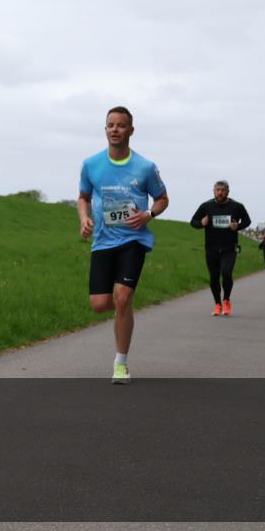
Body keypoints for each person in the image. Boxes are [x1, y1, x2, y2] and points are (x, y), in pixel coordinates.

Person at [78, 106, 168, 384]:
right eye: (110, 125)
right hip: (103, 241)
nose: (115, 129)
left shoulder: (145, 167)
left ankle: (121, 364)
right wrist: (84, 218)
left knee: (123, 296)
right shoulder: (91, 164)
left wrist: (149, 214)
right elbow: (83, 197)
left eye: (120, 125)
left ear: (131, 130)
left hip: (134, 239)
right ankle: (123, 307)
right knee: (99, 304)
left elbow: (162, 198)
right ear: (105, 129)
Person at [190, 181, 251, 316]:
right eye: (217, 190)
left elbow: (247, 221)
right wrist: (201, 223)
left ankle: (226, 300)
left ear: (228, 191)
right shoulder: (206, 206)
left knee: (226, 273)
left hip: (229, 248)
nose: (220, 192)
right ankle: (217, 304)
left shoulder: (237, 206)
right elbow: (193, 222)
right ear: (214, 191)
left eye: (223, 190)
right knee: (214, 277)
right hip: (211, 248)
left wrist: (238, 226)